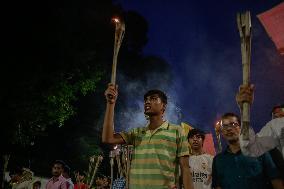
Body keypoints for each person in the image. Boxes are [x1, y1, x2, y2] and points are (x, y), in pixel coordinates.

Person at [102, 84, 193, 189]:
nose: (148, 102)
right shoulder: (136, 133)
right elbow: (108, 138)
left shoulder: (177, 131)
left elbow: (185, 169)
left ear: (164, 106)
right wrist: (110, 104)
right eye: (146, 100)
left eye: (154, 99)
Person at [212, 113, 283, 189]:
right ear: (222, 132)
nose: (229, 129)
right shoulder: (218, 160)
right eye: (224, 126)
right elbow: (218, 186)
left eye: (233, 124)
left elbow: (276, 181)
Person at [236, 84, 284, 157]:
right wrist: (244, 111)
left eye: (281, 110)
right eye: (274, 113)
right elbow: (251, 148)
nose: (277, 114)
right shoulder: (277, 125)